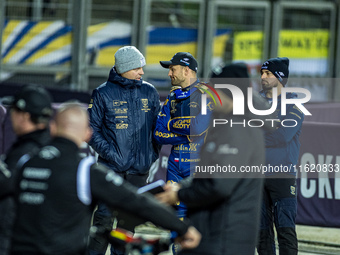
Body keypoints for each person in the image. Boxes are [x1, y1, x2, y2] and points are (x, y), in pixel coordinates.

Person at [0, 103, 201, 255]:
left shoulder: (24, 162)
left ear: (53, 128)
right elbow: (135, 202)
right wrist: (182, 227)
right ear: (87, 135)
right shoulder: (85, 170)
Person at [155, 63, 276, 255]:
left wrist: (179, 195)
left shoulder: (240, 129)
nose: (209, 95)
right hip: (210, 235)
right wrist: (182, 187)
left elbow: (219, 184)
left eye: (214, 90)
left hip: (224, 241)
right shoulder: (226, 124)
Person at [87, 46, 161, 255]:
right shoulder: (102, 93)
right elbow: (91, 130)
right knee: (104, 220)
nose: (142, 72)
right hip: (110, 170)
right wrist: (112, 155)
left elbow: (159, 128)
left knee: (128, 226)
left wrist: (151, 154)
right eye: (138, 67)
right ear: (124, 68)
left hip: (139, 171)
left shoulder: (150, 91)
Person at [154, 52, 213, 220]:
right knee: (174, 217)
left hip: (197, 164)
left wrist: (172, 124)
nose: (169, 73)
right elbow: (159, 134)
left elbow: (198, 127)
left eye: (173, 69)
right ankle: (176, 247)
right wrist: (186, 136)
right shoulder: (172, 97)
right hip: (174, 166)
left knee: (197, 216)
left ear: (187, 71)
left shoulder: (205, 93)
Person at [257, 57, 304, 255]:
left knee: (285, 231)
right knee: (261, 234)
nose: (262, 77)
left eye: (268, 73)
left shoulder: (294, 102)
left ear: (280, 77)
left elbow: (284, 135)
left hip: (282, 176)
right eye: (262, 73)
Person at [0, 85, 53, 255]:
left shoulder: (26, 153)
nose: (11, 116)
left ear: (24, 115)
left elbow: (4, 185)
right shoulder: (50, 148)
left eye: (14, 110)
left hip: (17, 241)